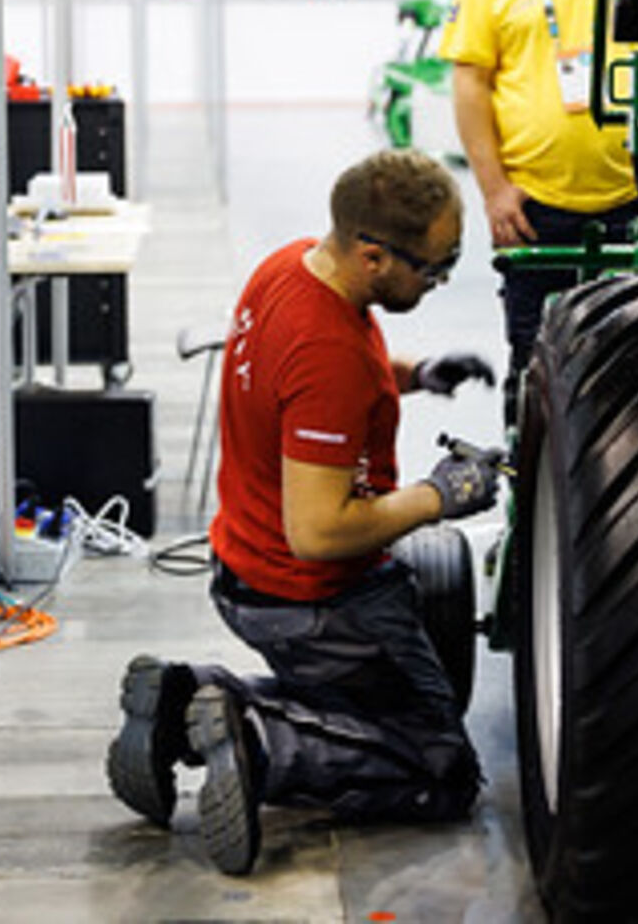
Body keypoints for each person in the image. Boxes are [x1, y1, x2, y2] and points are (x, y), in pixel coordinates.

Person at [106, 149, 502, 875]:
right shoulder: (331, 356)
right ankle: (258, 742)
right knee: (438, 766)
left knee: (359, 715)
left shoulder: (289, 267)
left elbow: (308, 383)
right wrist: (440, 496)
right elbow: (318, 533)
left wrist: (414, 375)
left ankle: (184, 700)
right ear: (374, 255)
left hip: (243, 570)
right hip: (318, 601)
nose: (440, 283)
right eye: (433, 269)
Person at [438, 0, 638, 424]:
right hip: (533, 210)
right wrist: (494, 191)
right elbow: (470, 81)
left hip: (634, 205)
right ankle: (531, 486)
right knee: (535, 365)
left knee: (633, 367)